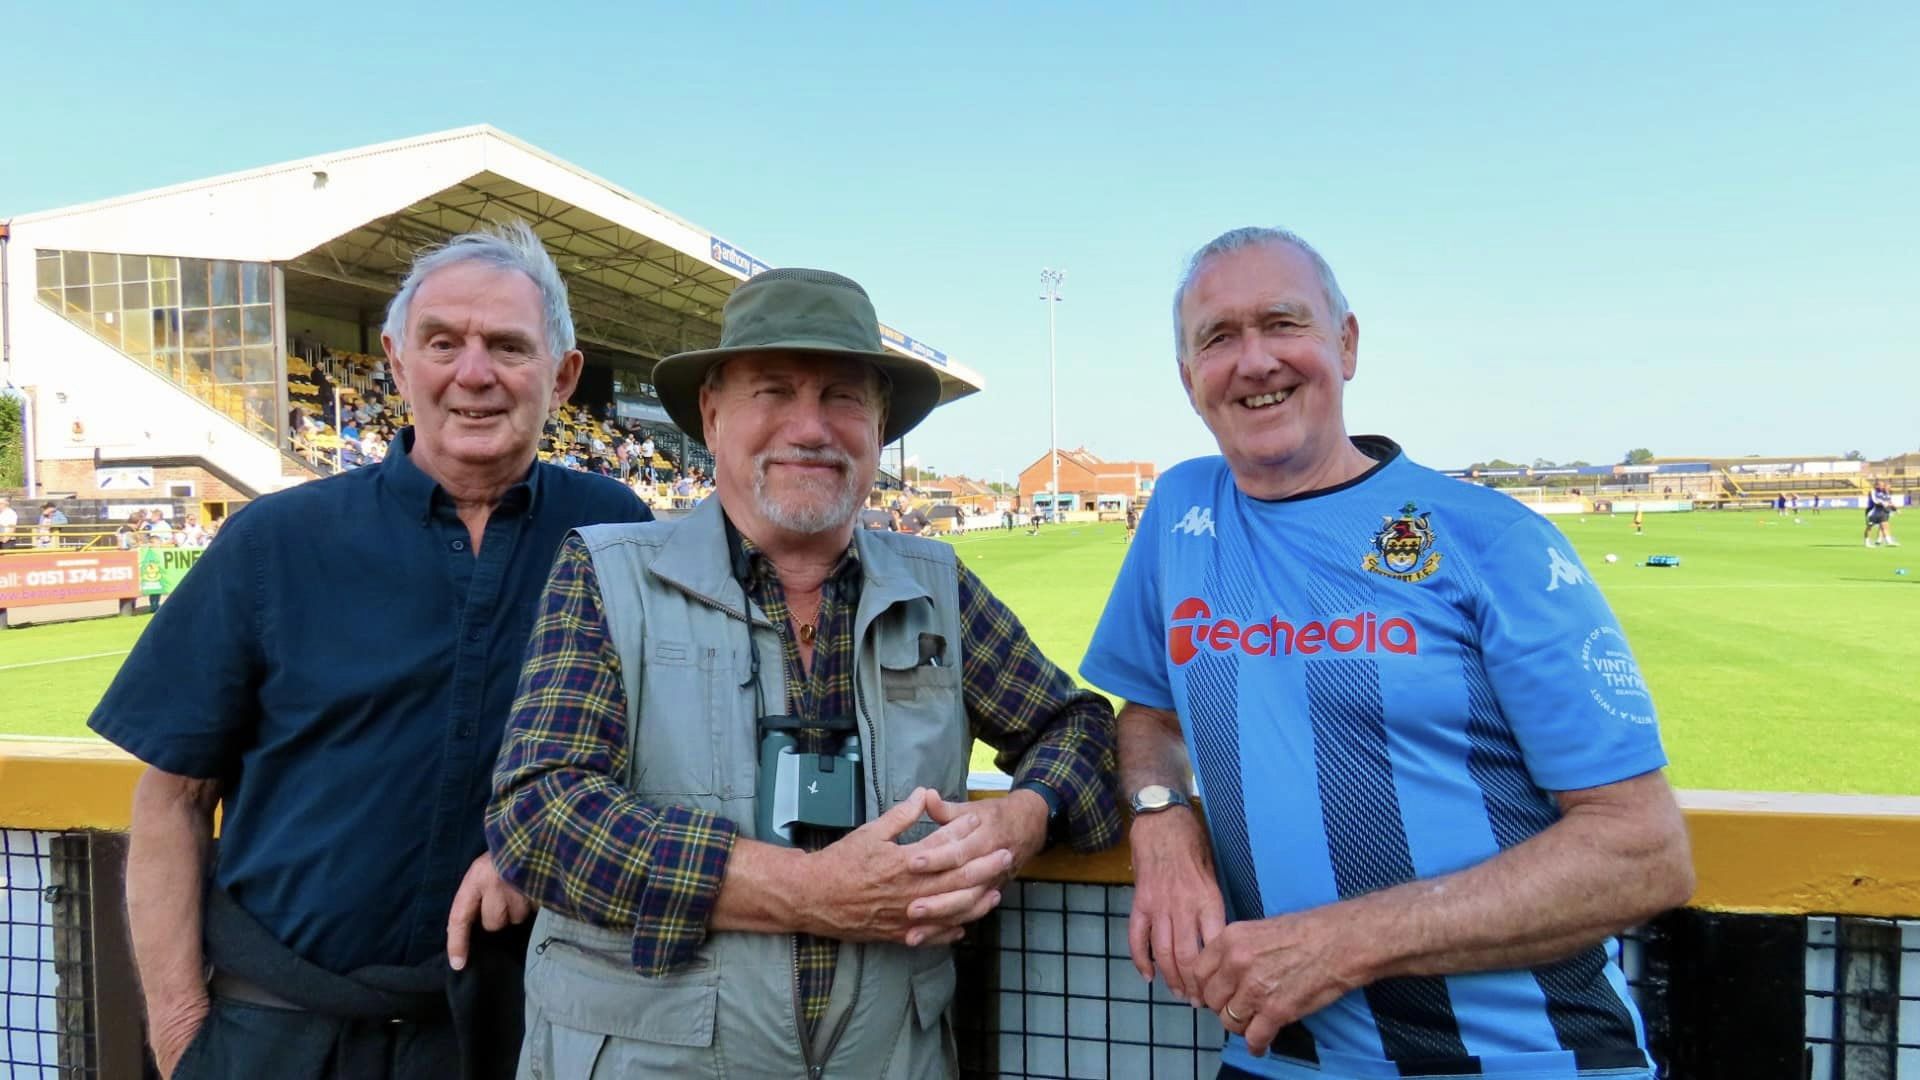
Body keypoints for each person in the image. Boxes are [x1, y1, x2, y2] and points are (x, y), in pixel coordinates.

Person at [1081, 227, 1693, 1078]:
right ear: (1189, 380)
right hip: (1275, 1055)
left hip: (1525, 1057)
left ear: (1347, 344)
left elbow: (1644, 851)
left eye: (1283, 324)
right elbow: (1147, 710)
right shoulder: (1182, 509)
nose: (1254, 361)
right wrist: (1162, 821)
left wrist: (1341, 944)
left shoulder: (1494, 540)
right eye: (1218, 338)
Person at [486, 267, 1120, 1079]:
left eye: (845, 398)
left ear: (881, 426)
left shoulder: (936, 585)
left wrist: (1021, 820)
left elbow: (1076, 725)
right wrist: (810, 890)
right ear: (712, 416)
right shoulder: (607, 574)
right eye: (774, 392)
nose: (811, 427)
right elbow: (541, 814)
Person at [87, 222, 651, 1080]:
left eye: (507, 346)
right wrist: (180, 1030)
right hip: (275, 1031)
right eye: (442, 343)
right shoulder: (275, 539)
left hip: (513, 1034)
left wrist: (536, 845)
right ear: (396, 360)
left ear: (562, 376)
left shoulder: (616, 531)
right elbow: (171, 796)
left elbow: (663, 748)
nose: (473, 374)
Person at [1866, 482, 1898, 547]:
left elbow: (1888, 502)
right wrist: (1883, 503)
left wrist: (1894, 509)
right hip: (1872, 511)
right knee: (1869, 527)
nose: (1882, 487)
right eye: (1881, 485)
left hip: (1881, 511)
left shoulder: (1884, 493)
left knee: (1884, 525)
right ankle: (1867, 542)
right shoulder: (1873, 491)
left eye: (1883, 485)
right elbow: (1876, 501)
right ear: (1876, 486)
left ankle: (1888, 542)